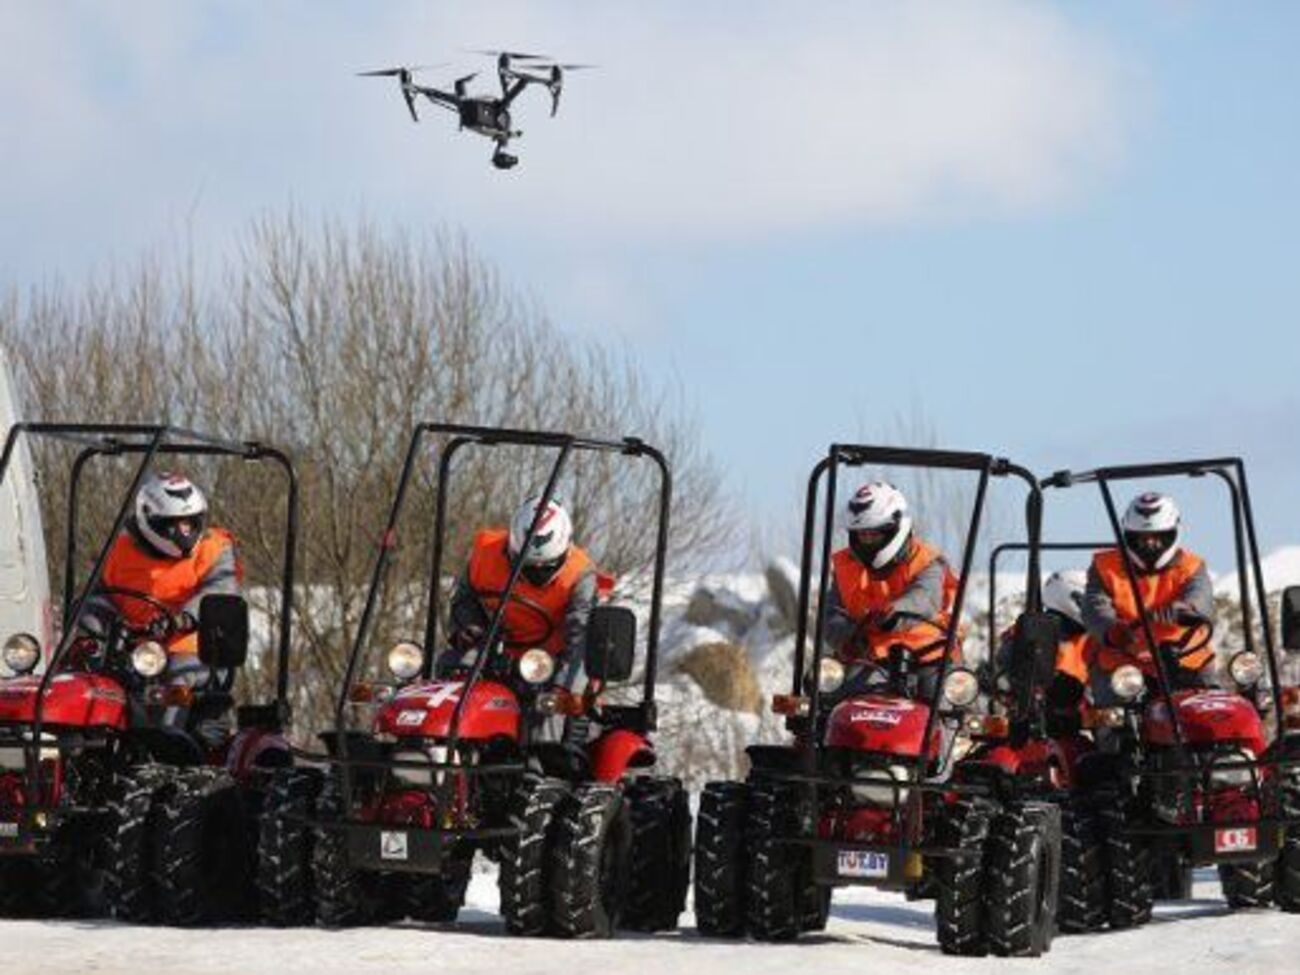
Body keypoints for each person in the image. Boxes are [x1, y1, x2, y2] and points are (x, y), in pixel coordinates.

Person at [83, 472, 242, 735]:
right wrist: (104, 624)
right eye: (176, 525)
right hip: (129, 648)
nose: (185, 532)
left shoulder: (215, 549)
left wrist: (185, 618)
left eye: (191, 524)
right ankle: (84, 746)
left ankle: (167, 745)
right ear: (151, 521)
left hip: (195, 649)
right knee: (89, 677)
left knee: (174, 682)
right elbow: (97, 596)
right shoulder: (119, 550)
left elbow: (220, 591)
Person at [446, 494, 598, 739]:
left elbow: (582, 636)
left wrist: (562, 689)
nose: (535, 574)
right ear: (511, 549)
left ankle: (542, 766)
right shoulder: (485, 554)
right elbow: (464, 600)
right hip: (493, 652)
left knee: (549, 708)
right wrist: (469, 627)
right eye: (525, 566)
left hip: (549, 664)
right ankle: (437, 742)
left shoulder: (579, 575)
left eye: (546, 567)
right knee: (452, 665)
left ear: (565, 551)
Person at [823, 481, 959, 699]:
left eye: (874, 534)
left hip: (928, 655)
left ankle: (947, 731)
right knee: (834, 696)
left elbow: (925, 598)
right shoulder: (845, 566)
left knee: (950, 699)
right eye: (861, 534)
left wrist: (894, 611)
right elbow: (832, 615)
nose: (867, 540)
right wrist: (847, 636)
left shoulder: (927, 561)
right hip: (868, 654)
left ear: (896, 528)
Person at [1082, 492, 1215, 700]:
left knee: (1212, 713)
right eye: (1141, 538)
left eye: (1158, 537)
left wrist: (1186, 609)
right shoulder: (1104, 566)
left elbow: (1202, 599)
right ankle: (1114, 732)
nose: (1150, 544)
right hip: (1125, 663)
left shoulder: (1192, 566)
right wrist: (1114, 631)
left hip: (1184, 658)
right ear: (1128, 535)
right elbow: (1094, 609)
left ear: (1174, 532)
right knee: (1114, 719)